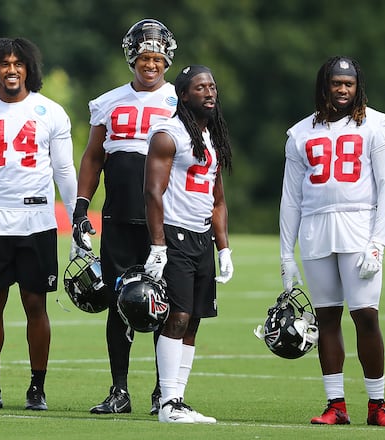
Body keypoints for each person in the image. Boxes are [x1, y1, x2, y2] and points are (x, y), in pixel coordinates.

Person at [0, 37, 79, 411]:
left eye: (18, 63)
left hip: (38, 218)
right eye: (4, 63)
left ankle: (36, 388)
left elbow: (64, 169)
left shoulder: (50, 112)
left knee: (35, 302)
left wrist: (78, 218)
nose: (11, 69)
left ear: (29, 68)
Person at [73, 18, 177, 415]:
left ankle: (162, 391)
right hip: (118, 216)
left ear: (166, 58)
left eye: (156, 58)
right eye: (142, 57)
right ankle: (119, 390)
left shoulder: (178, 101)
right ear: (131, 58)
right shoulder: (107, 101)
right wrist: (82, 205)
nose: (149, 65)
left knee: (161, 303)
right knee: (120, 303)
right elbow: (94, 156)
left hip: (164, 221)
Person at [279, 56, 385, 426]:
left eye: (349, 84)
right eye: (336, 83)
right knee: (326, 317)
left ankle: (377, 405)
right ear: (323, 85)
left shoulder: (377, 125)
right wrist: (285, 255)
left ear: (358, 87)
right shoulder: (300, 133)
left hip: (359, 225)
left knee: (365, 316)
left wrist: (379, 241)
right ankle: (336, 405)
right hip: (315, 229)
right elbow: (291, 198)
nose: (343, 90)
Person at [144, 65, 234, 423]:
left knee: (194, 319)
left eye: (212, 86)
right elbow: (152, 191)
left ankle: (179, 399)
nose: (209, 92)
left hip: (201, 237)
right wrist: (157, 245)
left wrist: (223, 247)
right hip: (175, 234)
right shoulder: (169, 134)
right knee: (177, 316)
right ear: (184, 95)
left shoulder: (212, 136)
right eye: (200, 88)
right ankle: (167, 403)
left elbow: (218, 200)